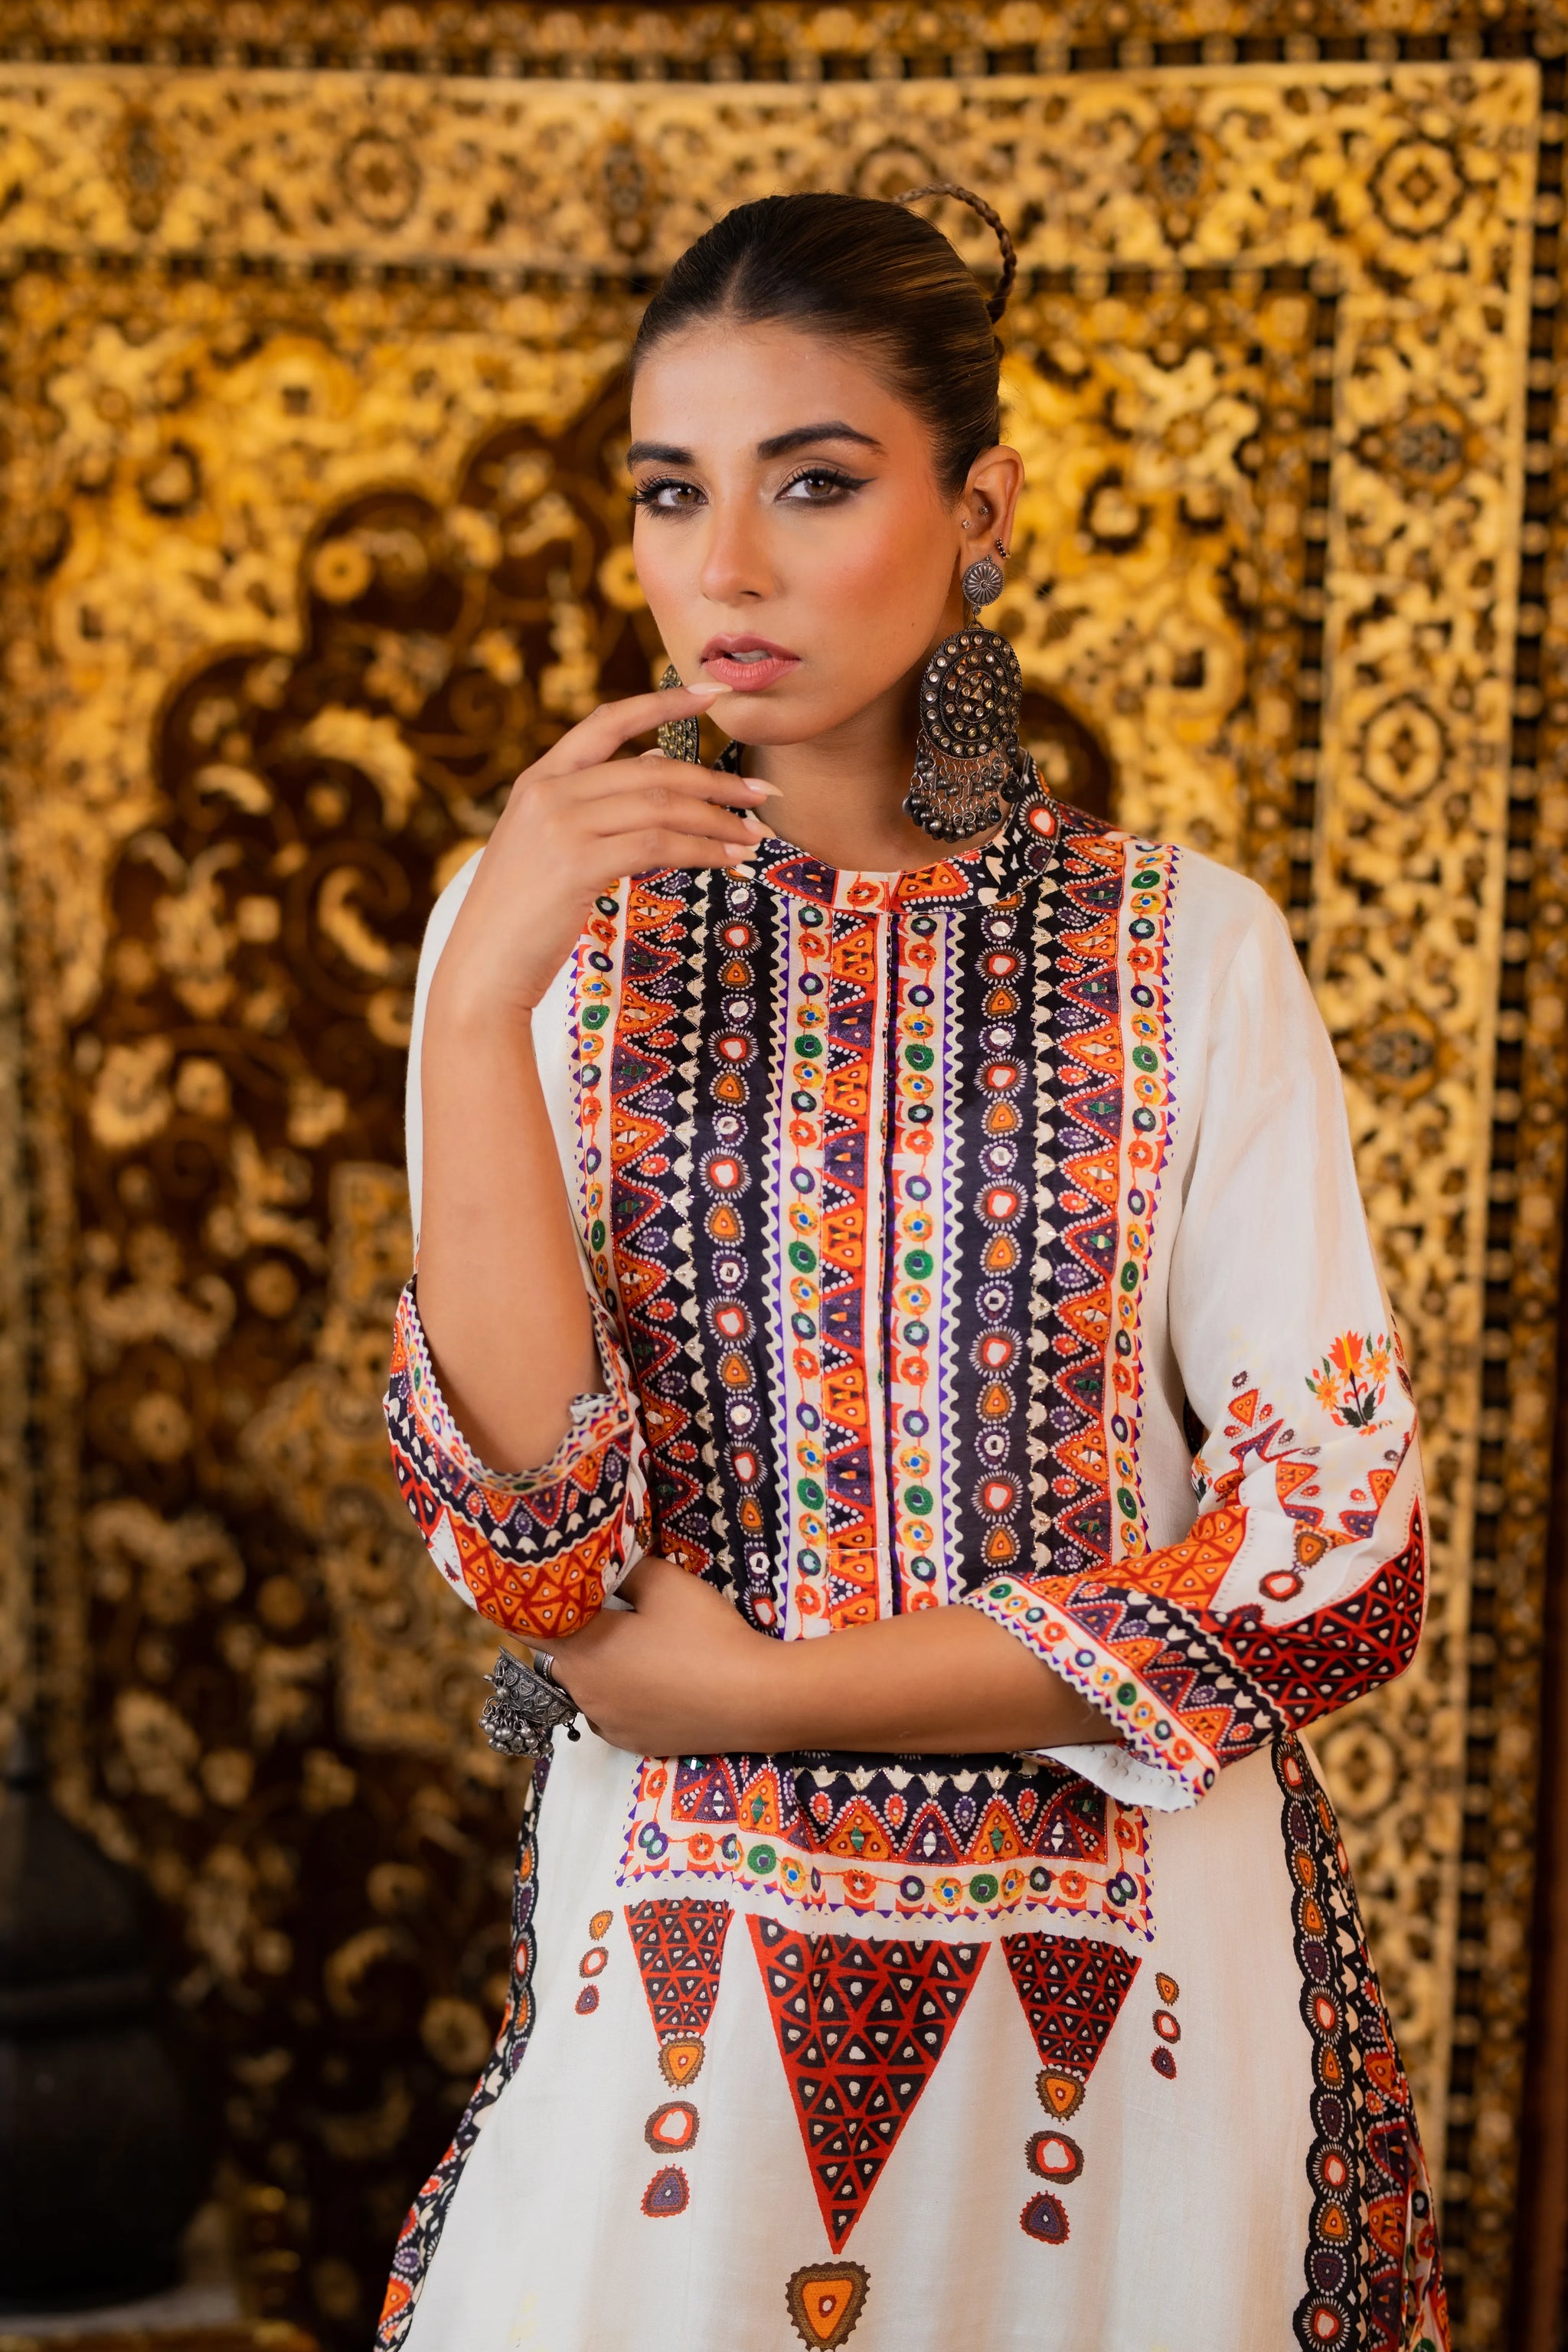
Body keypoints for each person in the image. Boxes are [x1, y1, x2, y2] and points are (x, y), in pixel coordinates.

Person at [375, 187, 1447, 2352]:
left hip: (1128, 2018)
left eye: (815, 483)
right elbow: (534, 1552)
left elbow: (1333, 1565)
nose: (725, 569)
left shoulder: (1193, 950)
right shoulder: (533, 942)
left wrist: (748, 1700)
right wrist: (482, 1003)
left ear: (982, 513)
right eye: (673, 492)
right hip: (680, 2002)